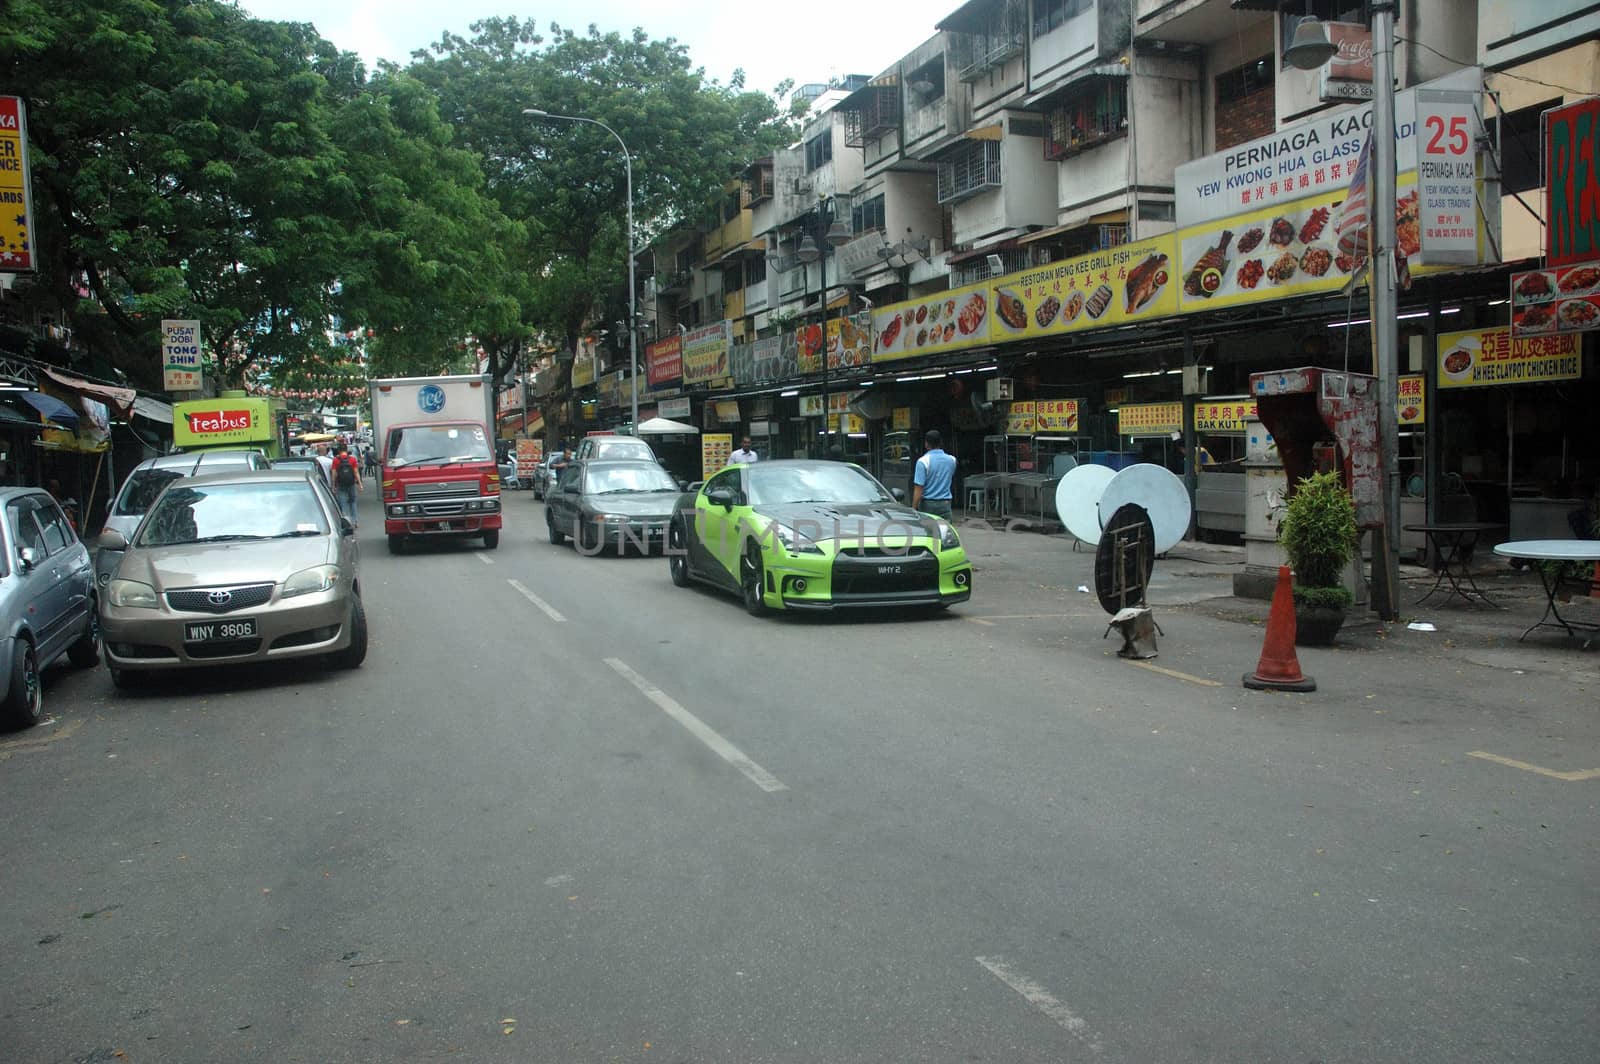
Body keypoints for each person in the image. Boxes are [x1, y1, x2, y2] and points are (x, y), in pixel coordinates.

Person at [911, 429, 956, 519]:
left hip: (928, 505)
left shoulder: (923, 461)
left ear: (926, 444)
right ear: (940, 442)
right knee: (945, 531)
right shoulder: (952, 460)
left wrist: (913, 508)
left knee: (928, 531)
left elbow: (919, 489)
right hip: (945, 504)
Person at [330, 442, 362, 528]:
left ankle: (346, 522)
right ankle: (355, 522)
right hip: (351, 483)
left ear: (339, 451)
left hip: (341, 484)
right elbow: (356, 472)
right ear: (346, 450)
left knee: (343, 503)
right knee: (353, 502)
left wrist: (333, 485)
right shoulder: (352, 459)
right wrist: (360, 484)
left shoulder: (336, 460)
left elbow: (334, 474)